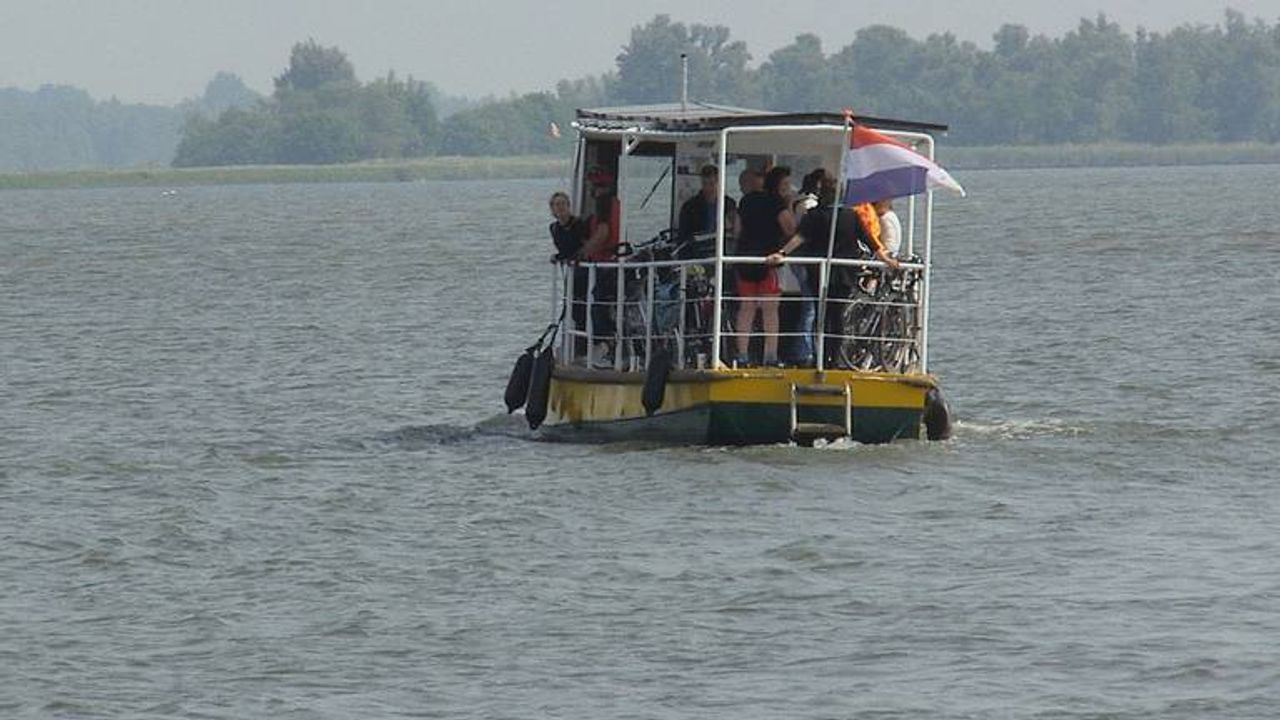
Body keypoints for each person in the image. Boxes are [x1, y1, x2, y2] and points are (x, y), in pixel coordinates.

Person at [732, 165, 796, 366]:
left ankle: (742, 355)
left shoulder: (746, 200)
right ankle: (770, 356)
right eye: (785, 184)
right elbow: (790, 228)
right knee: (770, 309)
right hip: (768, 260)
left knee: (746, 308)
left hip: (745, 259)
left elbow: (736, 230)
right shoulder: (776, 203)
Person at [677, 165, 736, 252]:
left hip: (722, 251)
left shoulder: (729, 204)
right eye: (705, 184)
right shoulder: (690, 206)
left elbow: (733, 231)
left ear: (720, 183)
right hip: (698, 253)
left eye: (712, 184)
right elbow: (684, 235)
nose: (708, 188)